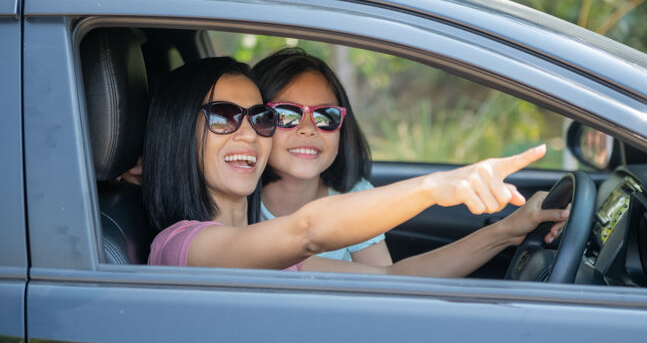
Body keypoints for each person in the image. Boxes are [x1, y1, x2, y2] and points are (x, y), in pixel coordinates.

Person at [143, 56, 568, 276]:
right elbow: (307, 230)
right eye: (223, 117)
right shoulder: (182, 246)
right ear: (178, 134)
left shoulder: (262, 246)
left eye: (260, 118)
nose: (249, 134)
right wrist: (436, 186)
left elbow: (391, 283)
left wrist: (505, 232)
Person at [252, 48, 391, 266]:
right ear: (256, 121)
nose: (308, 129)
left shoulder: (353, 199)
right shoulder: (238, 201)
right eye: (287, 114)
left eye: (326, 116)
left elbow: (386, 285)